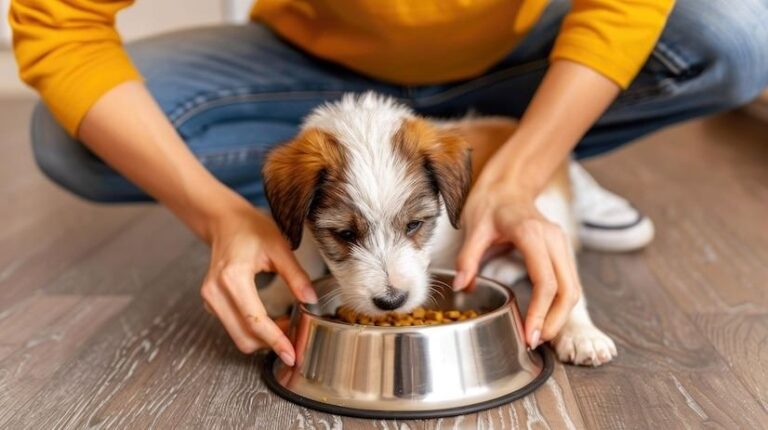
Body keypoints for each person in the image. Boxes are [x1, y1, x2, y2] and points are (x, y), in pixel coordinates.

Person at [11, 0, 767, 366]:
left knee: (742, 32)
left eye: (411, 231)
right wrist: (216, 216)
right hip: (310, 67)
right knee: (75, 137)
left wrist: (531, 160)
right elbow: (57, 20)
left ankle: (538, 164)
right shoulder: (309, 177)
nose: (390, 282)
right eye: (341, 236)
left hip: (519, 58)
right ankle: (501, 169)